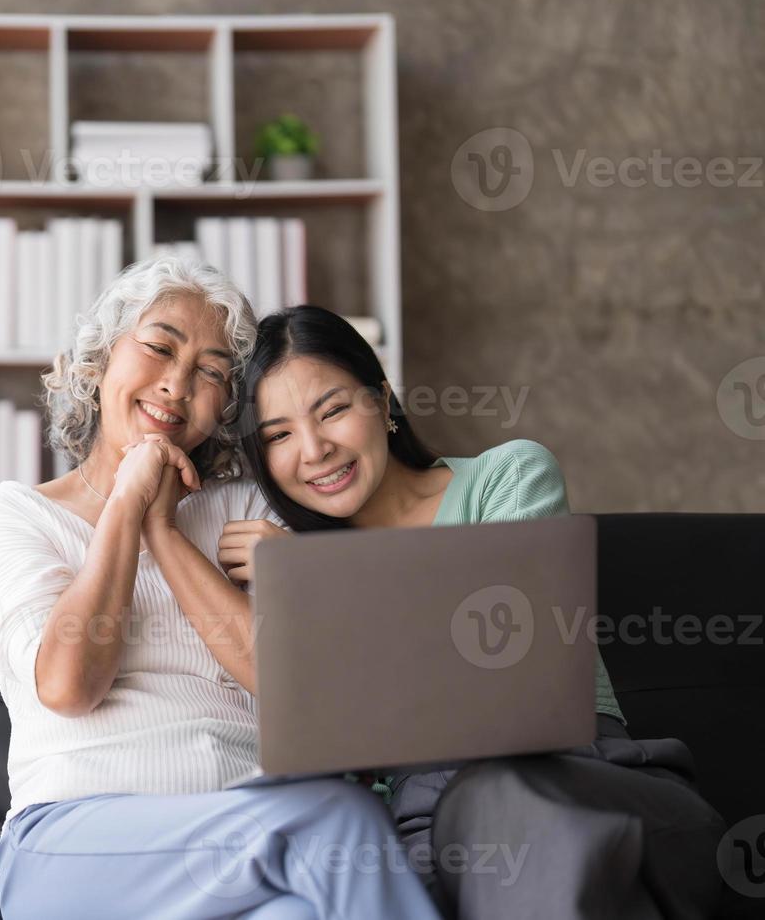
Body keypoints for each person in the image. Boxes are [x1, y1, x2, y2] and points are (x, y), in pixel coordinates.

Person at [0, 257, 440, 919]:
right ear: (99, 362)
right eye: (158, 348)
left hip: (250, 842)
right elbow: (70, 685)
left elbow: (300, 693)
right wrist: (128, 504)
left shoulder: (247, 511)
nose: (177, 386)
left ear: (227, 406)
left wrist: (168, 530)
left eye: (211, 372)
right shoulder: (12, 516)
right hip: (74, 846)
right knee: (344, 827)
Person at [218, 304, 727, 919]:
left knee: (505, 800)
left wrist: (313, 587)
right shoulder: (288, 570)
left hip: (584, 781)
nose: (315, 449)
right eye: (277, 435)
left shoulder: (506, 479)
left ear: (381, 400)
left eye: (333, 410)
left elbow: (514, 674)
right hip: (428, 832)